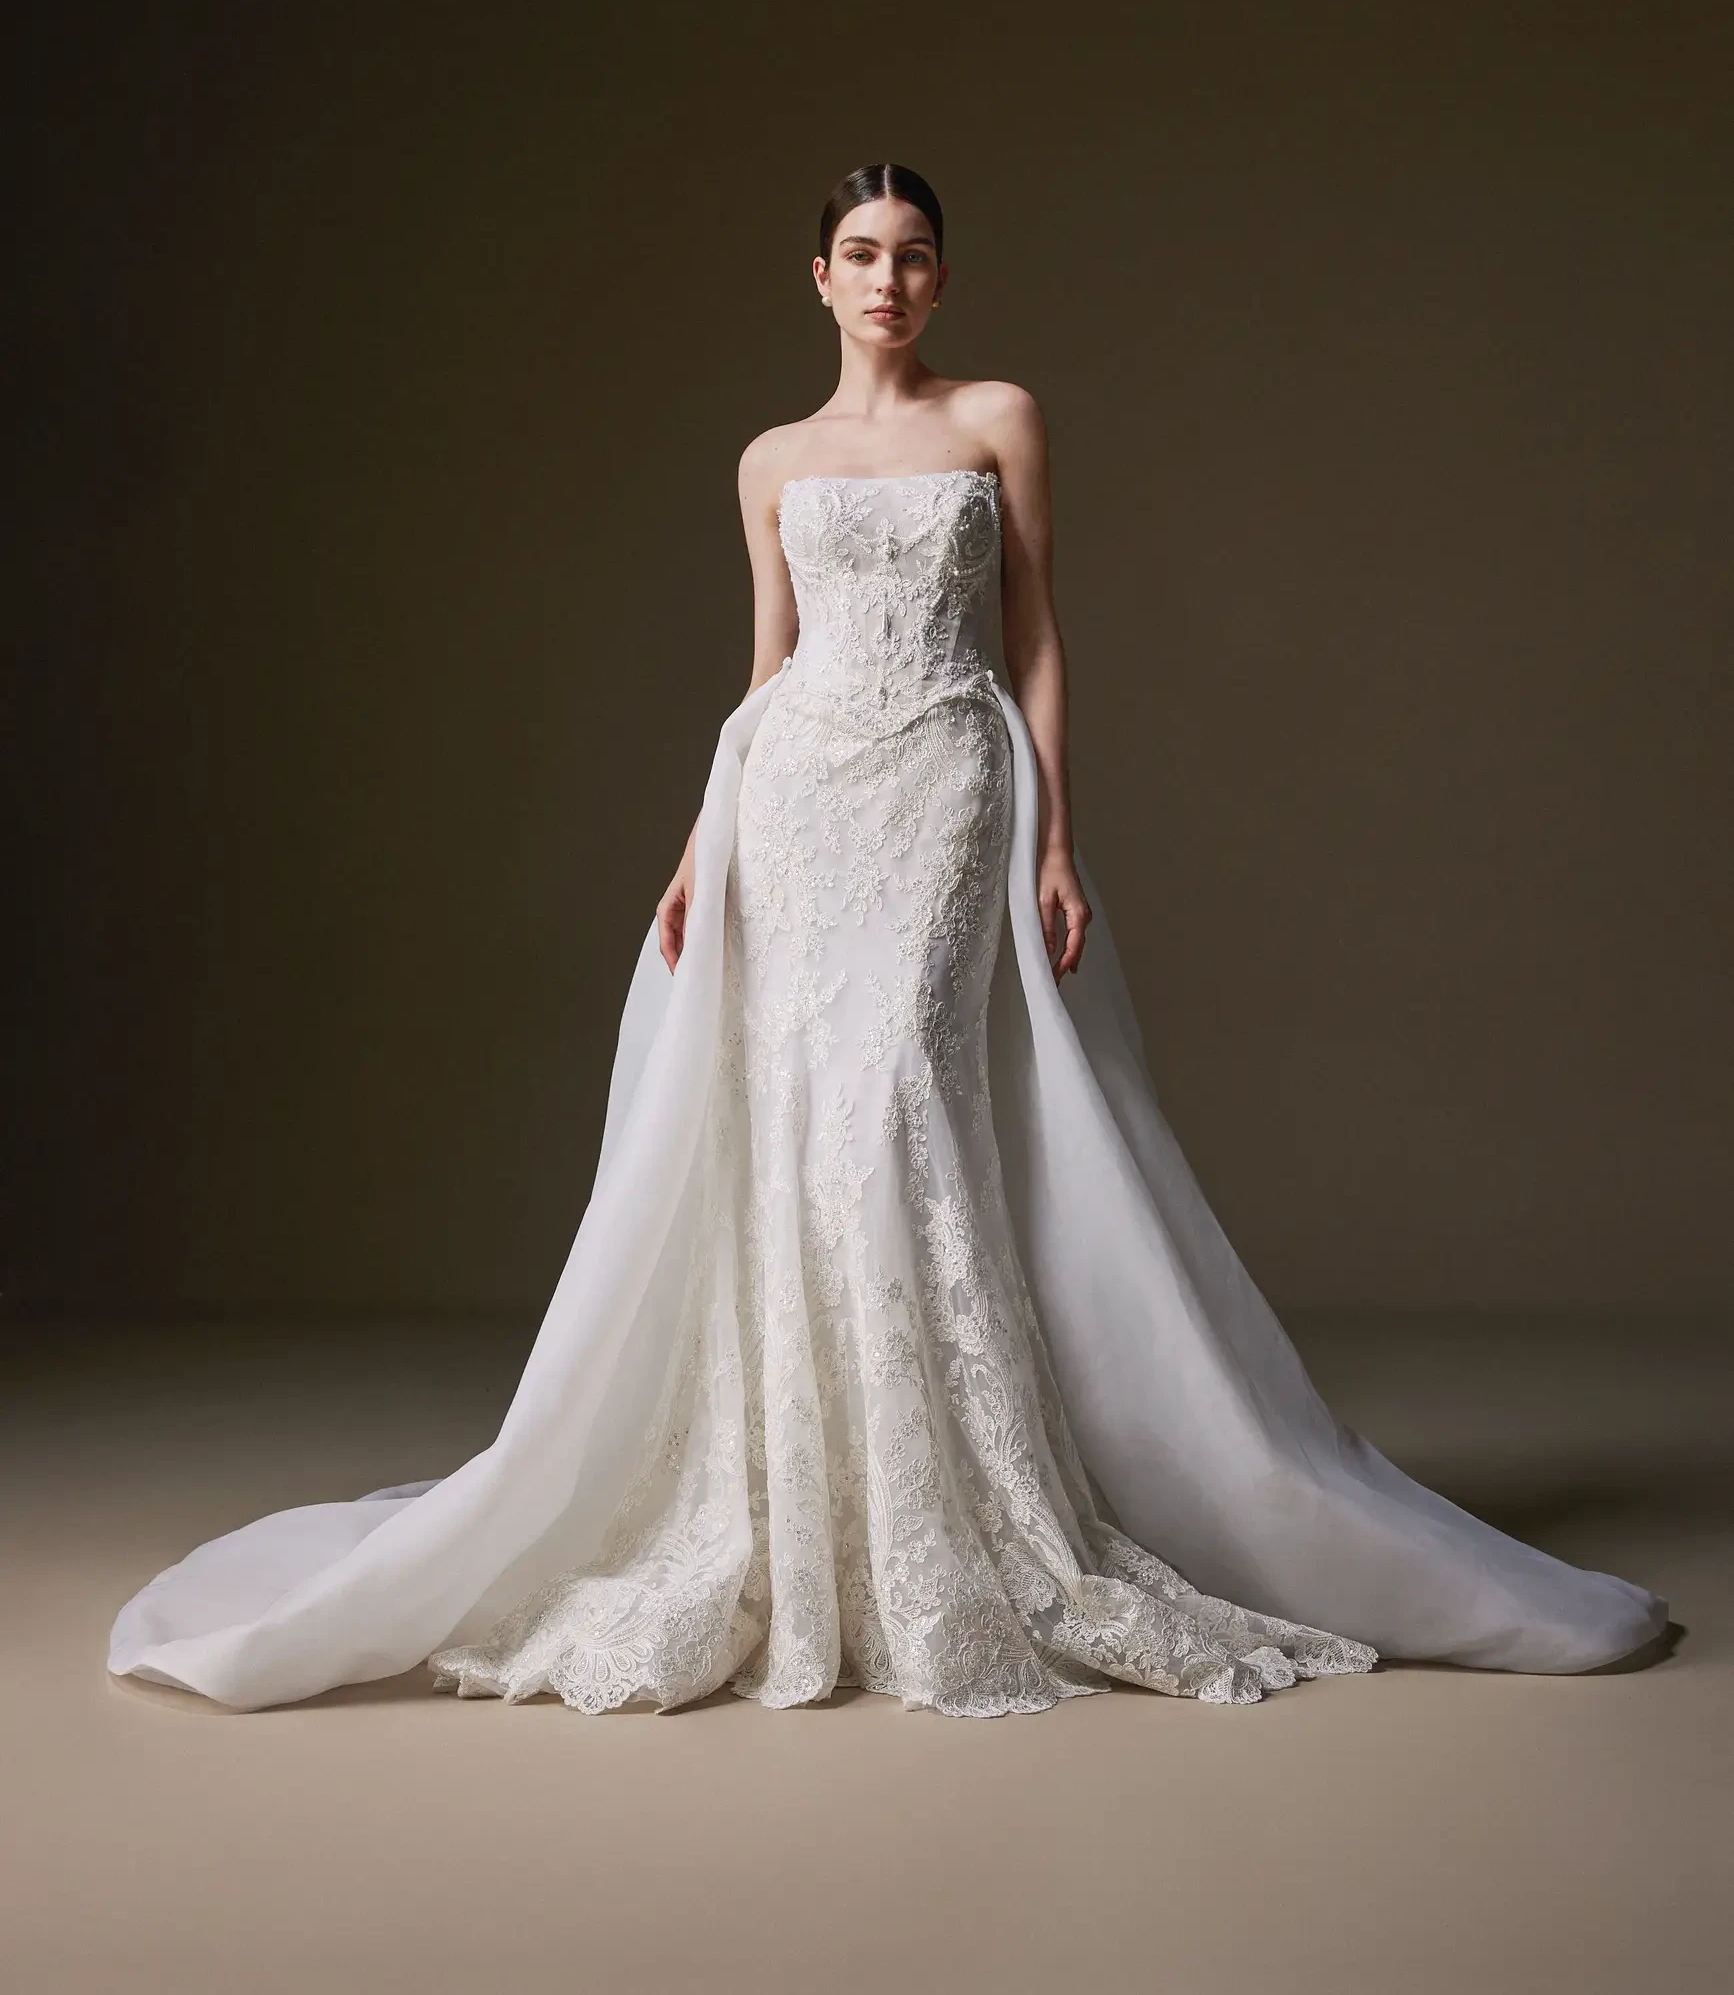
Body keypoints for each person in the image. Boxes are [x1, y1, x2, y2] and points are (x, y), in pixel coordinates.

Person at [108, 162, 1667, 1716]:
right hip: (792, 796)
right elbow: (766, 668)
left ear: (940, 277)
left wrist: (1053, 837)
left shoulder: (998, 418)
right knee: (798, 1115)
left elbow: (1035, 635)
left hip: (945, 780)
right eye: (860, 254)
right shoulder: (771, 458)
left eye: (913, 255)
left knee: (902, 1094)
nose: (887, 280)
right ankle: (820, 1507)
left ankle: (954, 1502)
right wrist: (697, 846)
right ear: (818, 277)